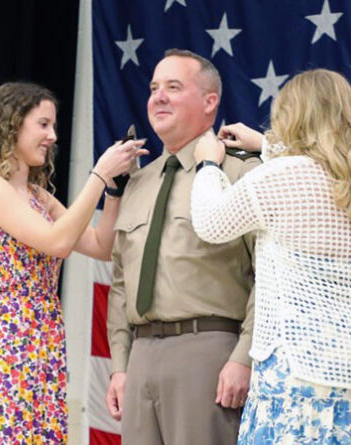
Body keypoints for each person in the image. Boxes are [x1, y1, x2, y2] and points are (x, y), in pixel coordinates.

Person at [191, 69, 351, 444]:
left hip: (300, 369)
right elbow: (324, 170)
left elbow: (210, 223)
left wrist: (207, 164)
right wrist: (265, 147)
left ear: (291, 115)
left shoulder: (280, 176)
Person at [0, 81, 148, 444]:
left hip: (43, 335)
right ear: (12, 125)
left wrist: (113, 189)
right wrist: (98, 176)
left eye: (53, 126)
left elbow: (100, 246)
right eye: (43, 124)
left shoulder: (38, 196)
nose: (52, 136)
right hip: (6, 337)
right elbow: (57, 242)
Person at [104, 49, 260, 445]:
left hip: (208, 349)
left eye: (174, 87)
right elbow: (122, 281)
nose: (159, 97)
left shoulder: (240, 172)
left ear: (210, 102)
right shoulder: (138, 182)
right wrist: (120, 366)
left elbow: (269, 275)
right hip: (141, 355)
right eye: (154, 88)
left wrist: (243, 356)